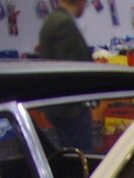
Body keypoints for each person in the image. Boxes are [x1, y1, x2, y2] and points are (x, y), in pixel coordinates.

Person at [39, 0, 93, 149]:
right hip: (71, 110)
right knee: (82, 160)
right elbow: (71, 69)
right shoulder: (63, 23)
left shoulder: (51, 20)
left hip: (61, 108)